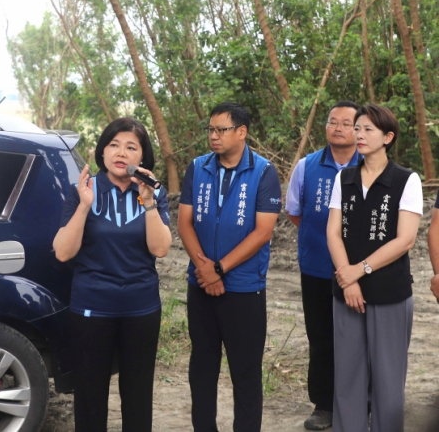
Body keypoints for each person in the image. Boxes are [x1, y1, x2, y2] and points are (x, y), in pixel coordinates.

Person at [53, 117, 172, 431]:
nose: (121, 152)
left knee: (137, 394)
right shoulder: (82, 190)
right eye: (114, 145)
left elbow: (160, 249)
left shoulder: (153, 194)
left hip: (141, 308)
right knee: (90, 397)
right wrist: (83, 206)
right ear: (102, 152)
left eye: (131, 147)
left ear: (142, 157)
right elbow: (63, 252)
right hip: (92, 309)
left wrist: (148, 202)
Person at [178, 101, 281, 432]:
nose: (214, 136)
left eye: (221, 130)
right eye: (210, 129)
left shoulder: (264, 172)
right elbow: (184, 224)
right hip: (201, 286)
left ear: (241, 132)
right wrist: (204, 269)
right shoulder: (197, 167)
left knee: (246, 372)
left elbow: (263, 231)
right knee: (202, 368)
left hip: (244, 289)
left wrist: (219, 269)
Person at [326, 104, 421, 432]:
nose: (359, 135)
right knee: (347, 379)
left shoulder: (406, 180)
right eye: (358, 128)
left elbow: (405, 240)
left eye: (368, 129)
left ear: (388, 137)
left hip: (389, 295)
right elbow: (333, 232)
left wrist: (360, 270)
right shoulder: (345, 177)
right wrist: (347, 279)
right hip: (347, 293)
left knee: (388, 382)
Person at [285, 100, 361, 430]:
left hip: (361, 269)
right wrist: (325, 240)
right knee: (321, 338)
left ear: (360, 130)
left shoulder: (373, 165)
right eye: (333, 122)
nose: (338, 127)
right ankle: (324, 406)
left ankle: (363, 402)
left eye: (347, 123)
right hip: (317, 266)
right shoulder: (306, 166)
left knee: (360, 338)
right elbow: (294, 211)